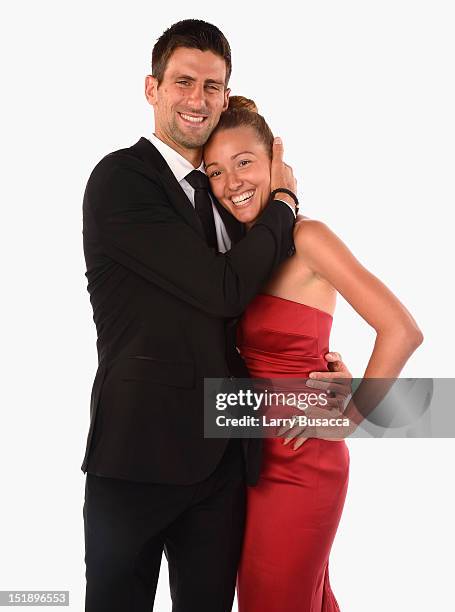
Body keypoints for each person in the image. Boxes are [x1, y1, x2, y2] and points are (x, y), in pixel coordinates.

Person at [81, 20, 349, 612]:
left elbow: (263, 314)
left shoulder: (227, 199)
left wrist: (327, 375)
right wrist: (284, 201)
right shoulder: (121, 181)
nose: (197, 100)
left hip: (227, 462)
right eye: (183, 82)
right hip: (137, 461)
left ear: (226, 95)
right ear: (152, 89)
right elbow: (225, 290)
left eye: (212, 86)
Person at [203, 96, 424, 611]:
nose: (232, 182)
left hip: (304, 461)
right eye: (215, 171)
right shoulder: (233, 253)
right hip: (246, 461)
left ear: (276, 164)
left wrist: (352, 415)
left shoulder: (310, 239)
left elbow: (401, 330)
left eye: (245, 163)